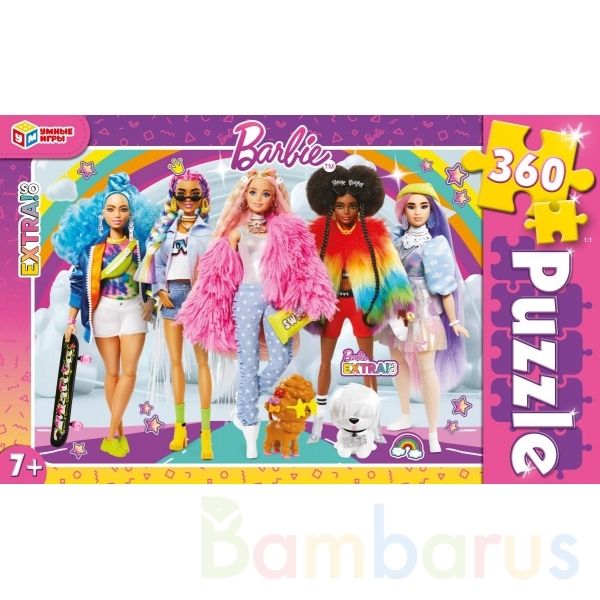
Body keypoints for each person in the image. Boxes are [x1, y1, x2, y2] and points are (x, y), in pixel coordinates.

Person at [178, 168, 336, 459]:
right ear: (244, 196)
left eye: (265, 193)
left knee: (281, 358)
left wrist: (307, 295)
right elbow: (221, 272)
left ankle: (244, 402)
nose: (259, 198)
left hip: (276, 299)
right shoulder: (236, 232)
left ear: (274, 197)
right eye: (253, 192)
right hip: (246, 297)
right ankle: (250, 434)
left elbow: (302, 263)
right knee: (247, 363)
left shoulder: (283, 229)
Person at [52, 172, 159, 458]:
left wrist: (151, 300)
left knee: (130, 372)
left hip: (134, 310)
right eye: (111, 209)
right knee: (112, 373)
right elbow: (78, 285)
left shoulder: (141, 247)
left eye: (123, 209)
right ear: (101, 214)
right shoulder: (91, 251)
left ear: (132, 214)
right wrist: (71, 320)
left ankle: (110, 433)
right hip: (103, 313)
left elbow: (152, 278)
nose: (117, 214)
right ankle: (119, 434)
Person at [305, 164, 413, 442]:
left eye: (352, 206)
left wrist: (402, 308)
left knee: (368, 363)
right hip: (330, 305)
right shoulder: (318, 233)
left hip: (361, 304)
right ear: (331, 205)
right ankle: (318, 422)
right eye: (340, 206)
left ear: (361, 206)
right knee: (325, 361)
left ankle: (374, 425)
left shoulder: (374, 234)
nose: (346, 212)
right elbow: (301, 271)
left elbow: (394, 272)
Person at [383, 182, 469, 453]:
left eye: (424, 206)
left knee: (426, 367)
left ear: (432, 211)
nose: (417, 212)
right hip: (397, 310)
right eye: (411, 206)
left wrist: (454, 322)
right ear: (403, 210)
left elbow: (445, 288)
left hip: (423, 310)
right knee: (398, 360)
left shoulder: (435, 245)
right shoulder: (396, 241)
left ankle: (433, 431)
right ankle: (405, 414)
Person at [136, 169, 213, 459]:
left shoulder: (208, 232)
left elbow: (213, 268)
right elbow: (156, 264)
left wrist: (203, 294)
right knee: (176, 362)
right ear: (174, 198)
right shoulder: (165, 231)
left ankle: (206, 434)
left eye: (194, 194)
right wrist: (158, 290)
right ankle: (179, 429)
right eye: (182, 195)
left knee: (203, 363)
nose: (188, 200)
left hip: (197, 298)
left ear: (203, 197)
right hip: (171, 295)